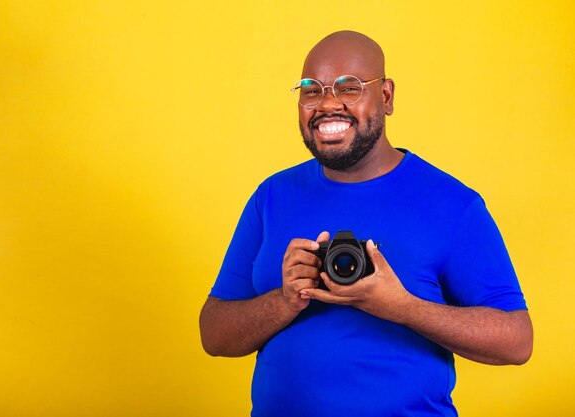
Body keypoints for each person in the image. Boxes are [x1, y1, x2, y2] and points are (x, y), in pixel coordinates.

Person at [199, 30, 533, 417]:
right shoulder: (272, 196)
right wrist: (286, 299)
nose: (327, 104)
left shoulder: (453, 204)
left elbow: (516, 341)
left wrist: (403, 307)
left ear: (386, 96)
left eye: (349, 88)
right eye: (311, 90)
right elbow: (214, 333)